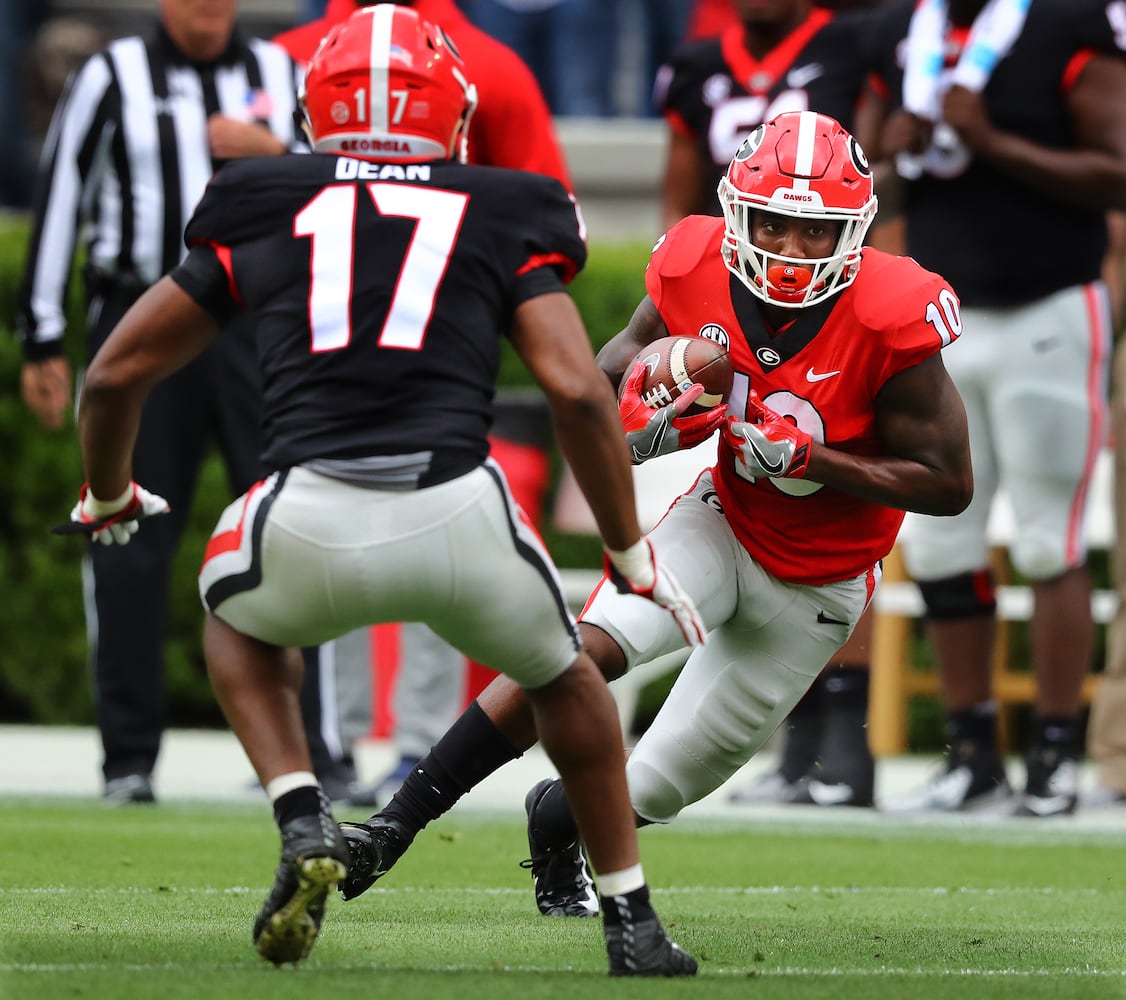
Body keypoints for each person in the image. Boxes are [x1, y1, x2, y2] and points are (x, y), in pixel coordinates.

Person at [65, 4, 702, 974]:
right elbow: (577, 389)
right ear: (454, 116)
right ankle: (632, 920)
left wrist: (110, 495)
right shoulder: (505, 201)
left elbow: (113, 374)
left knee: (231, 615)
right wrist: (627, 552)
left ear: (312, 115)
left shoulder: (260, 193)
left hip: (304, 519)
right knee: (565, 677)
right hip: (459, 511)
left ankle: (299, 812)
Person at [335, 110, 973, 919]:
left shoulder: (893, 310)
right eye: (774, 223)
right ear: (738, 214)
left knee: (666, 783)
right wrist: (641, 425)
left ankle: (556, 816)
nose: (790, 249)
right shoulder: (693, 261)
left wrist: (819, 461)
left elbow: (950, 484)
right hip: (722, 522)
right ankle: (390, 829)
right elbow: (604, 381)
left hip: (822, 584)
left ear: (854, 231)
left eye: (815, 231)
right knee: (575, 654)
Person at [274, 0, 573, 806]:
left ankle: (372, 747)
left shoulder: (488, 64)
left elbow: (543, 202)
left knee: (319, 534)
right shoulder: (290, 55)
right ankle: (333, 744)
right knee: (423, 538)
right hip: (357, 346)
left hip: (360, 350)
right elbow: (552, 223)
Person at [15, 0, 305, 804]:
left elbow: (341, 186)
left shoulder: (280, 73)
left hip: (256, 326)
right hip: (140, 316)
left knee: (286, 528)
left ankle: (294, 753)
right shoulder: (112, 75)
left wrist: (276, 153)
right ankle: (128, 760)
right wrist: (42, 336)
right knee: (123, 529)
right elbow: (62, 193)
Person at [865, 0, 1126, 817]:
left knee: (1051, 539)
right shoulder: (898, 31)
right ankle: (971, 754)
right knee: (941, 544)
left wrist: (994, 143)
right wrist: (889, 157)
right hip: (937, 313)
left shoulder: (1063, 23)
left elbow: (1118, 169)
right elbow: (857, 180)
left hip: (1047, 306)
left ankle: (1053, 755)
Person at [652, 0, 883, 807]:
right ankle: (793, 749)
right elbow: (679, 200)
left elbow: (871, 167)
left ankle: (838, 741)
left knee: (836, 520)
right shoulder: (696, 63)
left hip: (830, 293)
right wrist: (673, 325)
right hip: (736, 296)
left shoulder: (848, 45)